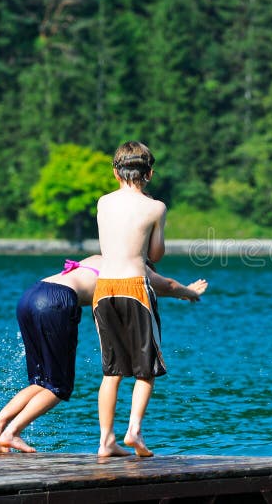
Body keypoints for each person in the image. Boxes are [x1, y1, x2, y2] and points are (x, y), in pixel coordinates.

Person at [0, 255, 207, 453]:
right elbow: (166, 285)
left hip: (31, 295)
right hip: (56, 302)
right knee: (58, 388)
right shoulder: (134, 266)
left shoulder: (99, 258)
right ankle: (12, 431)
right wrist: (190, 292)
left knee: (41, 381)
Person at [93, 140, 168, 458]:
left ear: (115, 172)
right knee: (146, 369)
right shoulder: (155, 207)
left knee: (112, 372)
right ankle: (134, 431)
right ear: (149, 173)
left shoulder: (103, 202)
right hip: (135, 288)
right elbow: (156, 254)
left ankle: (105, 441)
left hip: (103, 288)